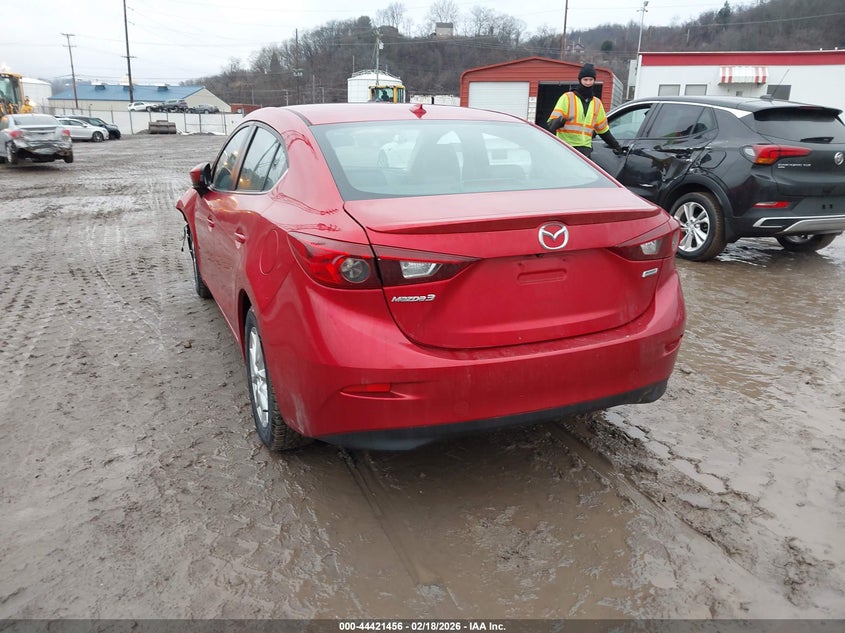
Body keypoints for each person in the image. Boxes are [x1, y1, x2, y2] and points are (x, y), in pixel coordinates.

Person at [546, 63, 622, 158]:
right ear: (580, 80)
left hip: (585, 150)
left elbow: (603, 131)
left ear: (594, 81)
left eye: (591, 80)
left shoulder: (597, 103)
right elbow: (551, 125)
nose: (588, 83)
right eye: (585, 80)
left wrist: (617, 146)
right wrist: (560, 121)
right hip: (566, 147)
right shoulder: (567, 98)